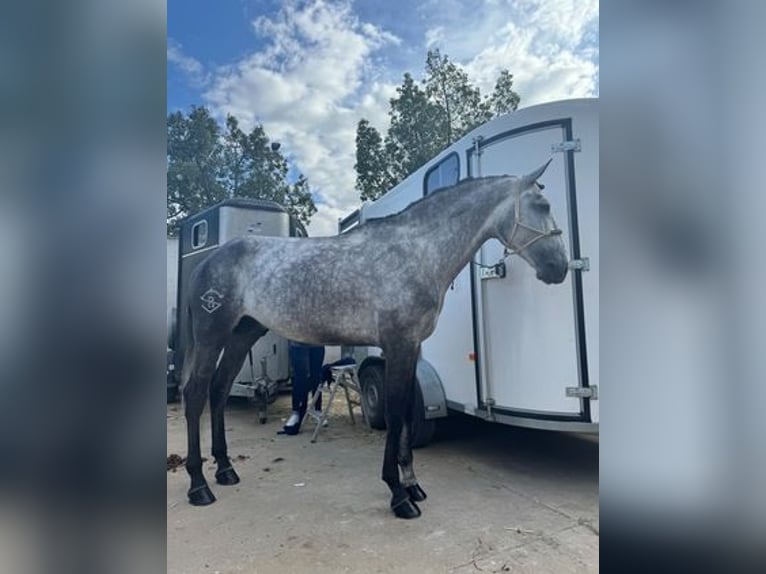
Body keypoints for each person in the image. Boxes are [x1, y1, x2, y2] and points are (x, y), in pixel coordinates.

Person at [279, 341, 325, 435]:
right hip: (297, 342)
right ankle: (296, 412)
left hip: (317, 341)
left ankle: (317, 410)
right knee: (299, 377)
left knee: (316, 377)